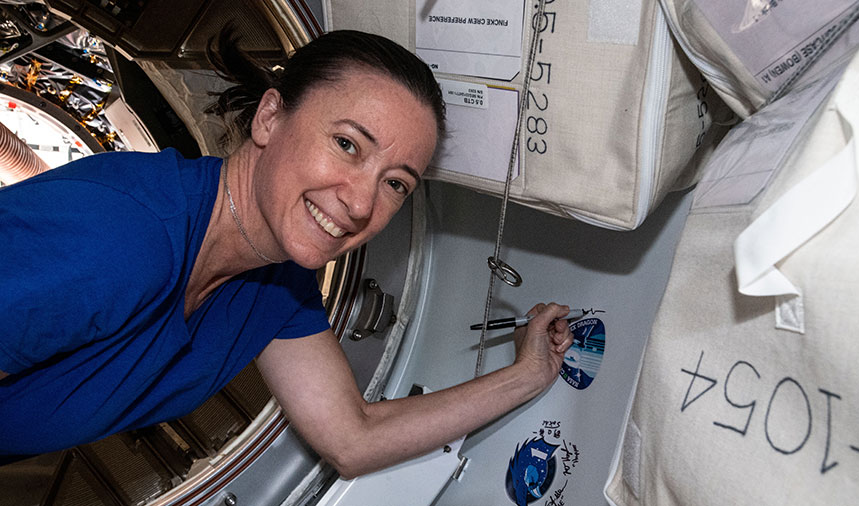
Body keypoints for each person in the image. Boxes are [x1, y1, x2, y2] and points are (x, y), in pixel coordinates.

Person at [0, 30, 574, 477]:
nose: (359, 204)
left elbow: (352, 437)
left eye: (396, 183)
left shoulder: (275, 288)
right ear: (270, 117)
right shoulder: (123, 233)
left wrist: (526, 376)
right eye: (347, 144)